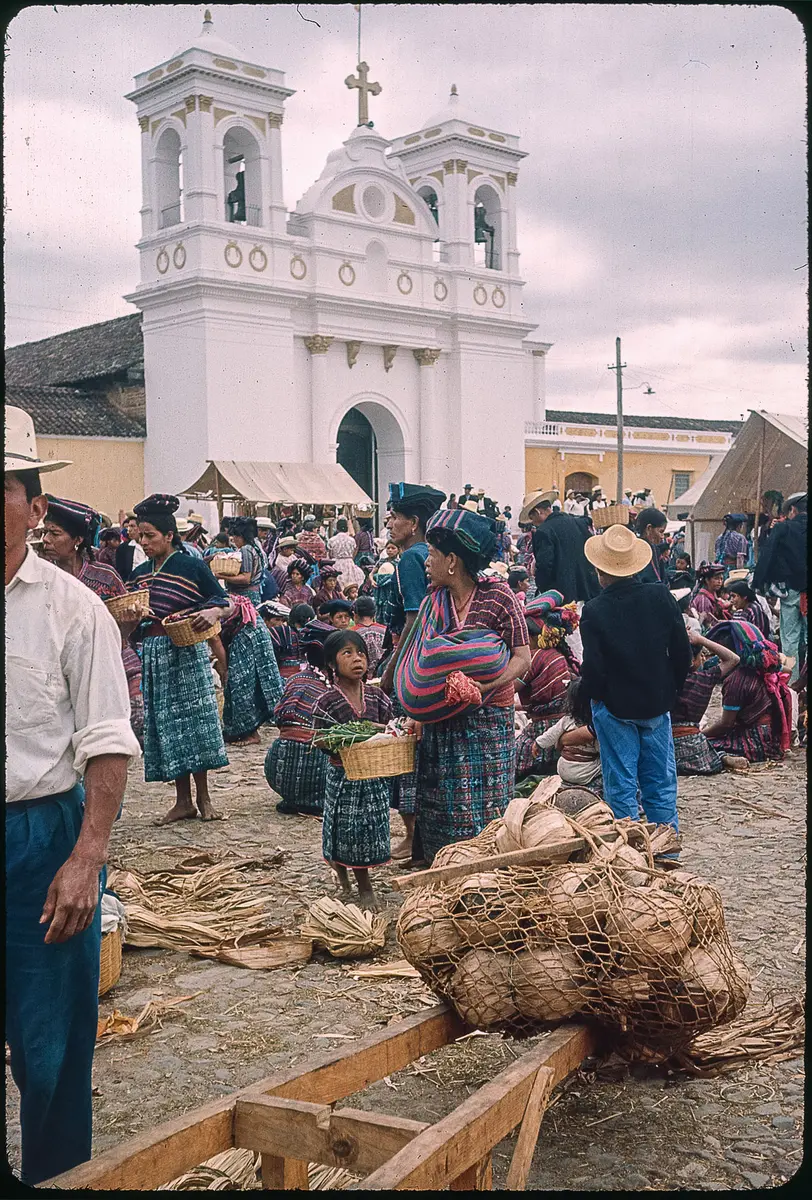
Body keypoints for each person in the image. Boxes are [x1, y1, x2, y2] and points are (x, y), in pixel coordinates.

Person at [5, 407, 141, 1185]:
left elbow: (106, 743)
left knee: (49, 1046)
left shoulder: (72, 609)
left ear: (37, 507)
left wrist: (87, 856)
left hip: (41, 836)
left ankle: (56, 1177)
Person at [399, 508, 531, 863]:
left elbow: (522, 658)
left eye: (432, 555)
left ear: (452, 560)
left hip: (488, 720)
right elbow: (421, 661)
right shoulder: (432, 604)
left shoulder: (499, 597)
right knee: (443, 798)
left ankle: (487, 868)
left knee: (486, 801)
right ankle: (444, 865)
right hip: (442, 720)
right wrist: (419, 712)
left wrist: (484, 687)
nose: (427, 562)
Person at [580, 524, 692, 833]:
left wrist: (595, 701)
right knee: (660, 781)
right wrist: (672, 690)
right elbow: (682, 652)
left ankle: (631, 852)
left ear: (600, 570)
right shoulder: (660, 596)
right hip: (656, 702)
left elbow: (593, 668)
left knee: (621, 784)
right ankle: (667, 847)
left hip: (616, 707)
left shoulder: (594, 610)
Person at [128, 494, 232, 824]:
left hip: (185, 651)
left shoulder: (191, 566)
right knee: (169, 726)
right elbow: (132, 616)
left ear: (169, 536)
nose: (144, 542)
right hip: (155, 655)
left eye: (150, 536)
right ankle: (182, 800)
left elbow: (223, 600)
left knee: (195, 722)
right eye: (141, 536)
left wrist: (212, 610)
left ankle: (204, 797)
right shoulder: (141, 573)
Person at [42, 495, 145, 747]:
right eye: (45, 532)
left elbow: (124, 631)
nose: (46, 540)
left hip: (111, 663)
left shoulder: (105, 577)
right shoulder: (42, 578)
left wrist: (129, 623)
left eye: (54, 533)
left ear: (77, 540)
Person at [379, 483, 446, 859]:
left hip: (412, 659)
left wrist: (393, 669)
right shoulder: (425, 555)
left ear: (414, 522)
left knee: (405, 745)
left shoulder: (410, 559)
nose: (389, 522)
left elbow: (413, 619)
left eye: (395, 517)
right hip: (423, 659)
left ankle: (411, 834)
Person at [313, 631, 394, 908]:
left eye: (359, 652)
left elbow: (391, 729)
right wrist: (341, 740)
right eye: (347, 653)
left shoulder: (378, 697)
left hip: (373, 776)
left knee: (369, 828)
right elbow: (320, 739)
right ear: (332, 665)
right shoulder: (327, 702)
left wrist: (378, 731)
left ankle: (356, 876)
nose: (356, 658)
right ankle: (358, 882)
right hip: (343, 776)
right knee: (344, 828)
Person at [264, 621, 333, 814]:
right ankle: (311, 797)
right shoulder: (332, 688)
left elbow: (279, 718)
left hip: (277, 771)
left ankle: (294, 798)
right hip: (314, 770)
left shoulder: (295, 679)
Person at [703, 621, 793, 762]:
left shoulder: (736, 681)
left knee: (701, 747)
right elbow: (788, 671)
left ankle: (726, 759)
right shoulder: (765, 668)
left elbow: (726, 724)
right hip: (773, 741)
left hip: (754, 743)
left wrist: (702, 734)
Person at [515, 591, 579, 778]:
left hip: (545, 730)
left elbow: (507, 690)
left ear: (534, 636)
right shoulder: (562, 656)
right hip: (567, 726)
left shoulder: (534, 658)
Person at [753, 492, 807, 685]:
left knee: (790, 639)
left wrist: (758, 584)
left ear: (793, 510)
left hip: (791, 591)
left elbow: (768, 555)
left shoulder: (783, 528)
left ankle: (790, 684)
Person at [671, 630, 742, 775]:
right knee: (715, 752)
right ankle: (722, 758)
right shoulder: (705, 679)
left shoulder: (665, 679)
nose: (703, 659)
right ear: (692, 660)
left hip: (668, 746)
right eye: (700, 656)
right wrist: (701, 639)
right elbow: (733, 659)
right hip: (696, 748)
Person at [219, 586, 284, 747]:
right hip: (245, 631)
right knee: (241, 683)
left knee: (241, 683)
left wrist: (225, 669)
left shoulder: (210, 606)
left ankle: (251, 733)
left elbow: (215, 640)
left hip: (248, 632)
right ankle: (237, 730)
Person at [522, 490, 599, 608]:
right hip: (587, 589)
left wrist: (545, 591)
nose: (533, 523)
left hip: (562, 596)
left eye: (532, 518)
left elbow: (545, 566)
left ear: (538, 512)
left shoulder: (543, 531)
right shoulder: (577, 522)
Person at [534, 677, 603, 792]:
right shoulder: (594, 727)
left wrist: (538, 744)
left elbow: (551, 735)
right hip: (584, 773)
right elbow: (600, 749)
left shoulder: (566, 720)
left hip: (564, 768)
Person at [268, 601, 315, 679]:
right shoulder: (313, 634)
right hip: (305, 678)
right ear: (309, 619)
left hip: (281, 677)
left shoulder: (280, 632)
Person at [634, 507, 670, 585]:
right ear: (649, 528)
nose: (662, 536)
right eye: (661, 531)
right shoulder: (648, 550)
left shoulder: (654, 549)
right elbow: (655, 582)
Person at [353, 594, 387, 673]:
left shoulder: (350, 634)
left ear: (355, 614)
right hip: (384, 676)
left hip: (360, 677)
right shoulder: (386, 631)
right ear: (374, 613)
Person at [328, 518, 365, 588]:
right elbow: (354, 552)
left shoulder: (332, 540)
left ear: (337, 528)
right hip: (349, 563)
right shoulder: (352, 540)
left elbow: (330, 555)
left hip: (336, 563)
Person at [692, 562, 730, 629]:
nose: (719, 582)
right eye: (716, 578)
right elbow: (706, 626)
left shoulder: (714, 596)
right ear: (707, 580)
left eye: (721, 579)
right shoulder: (703, 600)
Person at [114, 513, 148, 582]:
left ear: (140, 528)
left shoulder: (150, 546)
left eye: (132, 526)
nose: (129, 530)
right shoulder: (123, 548)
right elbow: (120, 573)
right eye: (128, 527)